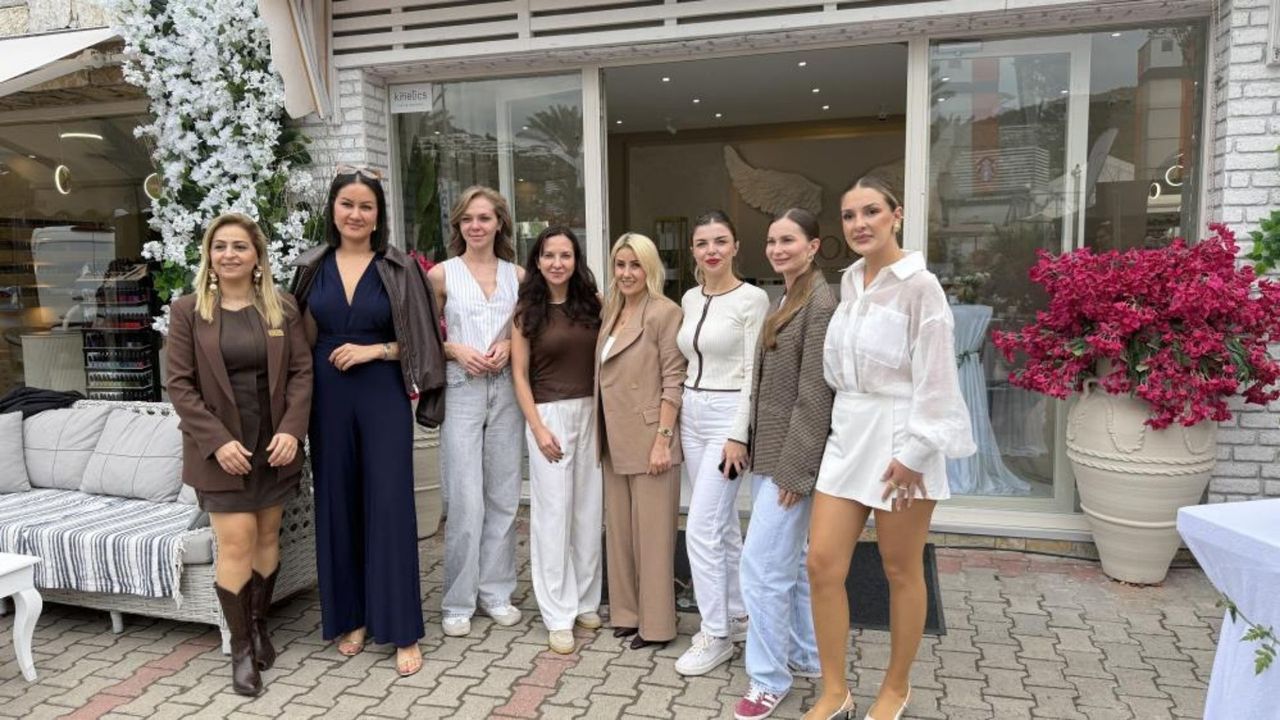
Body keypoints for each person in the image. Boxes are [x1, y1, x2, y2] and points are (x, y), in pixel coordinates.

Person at [804, 176, 975, 720]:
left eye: (871, 211)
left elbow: (938, 378)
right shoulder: (849, 283)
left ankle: (896, 688)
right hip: (848, 435)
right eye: (849, 215)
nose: (860, 224)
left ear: (896, 215)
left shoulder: (921, 287)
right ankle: (835, 691)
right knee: (821, 563)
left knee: (900, 569)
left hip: (902, 439)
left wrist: (916, 453)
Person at [290, 165, 447, 678]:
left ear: (378, 216)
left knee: (389, 504)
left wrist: (374, 350)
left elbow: (423, 342)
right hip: (327, 397)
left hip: (381, 392)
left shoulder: (399, 268)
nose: (355, 214)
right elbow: (297, 339)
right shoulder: (311, 266)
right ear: (332, 210)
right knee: (338, 504)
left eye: (366, 206)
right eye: (347, 204)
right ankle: (352, 618)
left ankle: (402, 629)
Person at [167, 212, 313, 696]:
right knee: (236, 544)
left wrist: (292, 430)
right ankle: (242, 649)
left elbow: (301, 373)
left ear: (257, 257)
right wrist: (218, 442)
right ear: (209, 256)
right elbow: (180, 386)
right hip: (220, 452)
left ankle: (258, 624)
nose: (229, 254)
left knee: (268, 536)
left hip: (274, 447)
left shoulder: (281, 308)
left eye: (239, 247)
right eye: (220, 246)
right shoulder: (188, 312)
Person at [731, 208, 836, 720]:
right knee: (788, 563)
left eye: (788, 240)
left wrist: (796, 470)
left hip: (790, 460)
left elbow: (815, 395)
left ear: (813, 246)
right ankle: (806, 656)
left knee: (760, 569)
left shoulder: (821, 302)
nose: (777, 249)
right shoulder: (786, 296)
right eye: (772, 241)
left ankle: (768, 679)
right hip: (771, 452)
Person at [427, 186, 527, 637]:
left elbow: (528, 331)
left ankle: (496, 591)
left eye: (484, 218)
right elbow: (423, 334)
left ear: (499, 223)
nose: (476, 226)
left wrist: (509, 344)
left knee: (503, 496)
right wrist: (454, 349)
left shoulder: (518, 276)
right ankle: (458, 600)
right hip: (462, 390)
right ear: (458, 225)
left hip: (506, 391)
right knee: (465, 500)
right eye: (467, 219)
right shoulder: (441, 275)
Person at [673, 210, 770, 676]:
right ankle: (737, 615)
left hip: (727, 415)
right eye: (702, 243)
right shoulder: (690, 298)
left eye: (720, 241)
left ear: (735, 247)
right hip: (691, 412)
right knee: (723, 524)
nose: (711, 250)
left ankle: (714, 635)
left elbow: (754, 371)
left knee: (701, 528)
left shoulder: (752, 299)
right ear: (693, 250)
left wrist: (738, 433)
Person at [510, 226, 605, 654]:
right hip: (548, 415)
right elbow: (518, 374)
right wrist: (537, 427)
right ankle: (557, 613)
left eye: (565, 255)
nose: (557, 263)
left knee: (587, 510)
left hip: (591, 413)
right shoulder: (526, 311)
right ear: (537, 260)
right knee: (552, 516)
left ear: (576, 260)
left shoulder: (594, 304)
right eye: (549, 255)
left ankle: (585, 600)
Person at [595, 232, 687, 650]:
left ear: (650, 268)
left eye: (635, 265)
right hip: (614, 437)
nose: (627, 273)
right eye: (620, 264)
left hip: (651, 438)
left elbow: (673, 380)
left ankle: (657, 626)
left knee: (652, 539)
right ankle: (628, 615)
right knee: (620, 534)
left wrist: (663, 440)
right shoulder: (612, 311)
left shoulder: (665, 312)